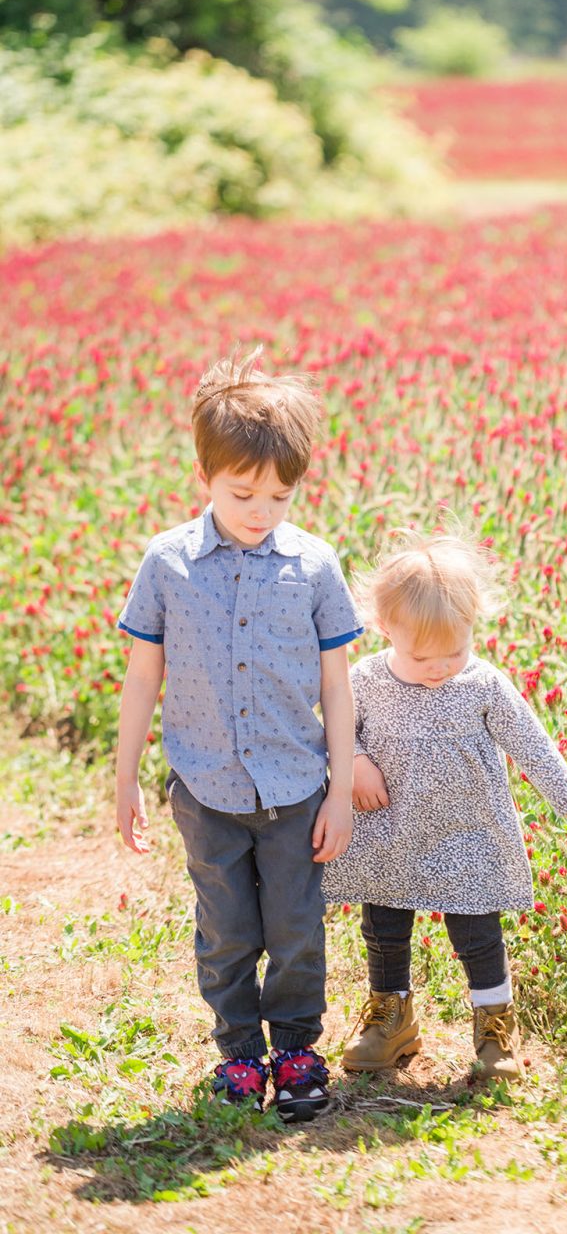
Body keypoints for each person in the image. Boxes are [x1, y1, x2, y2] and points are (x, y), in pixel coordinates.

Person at [114, 348, 360, 1122]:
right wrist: (124, 779)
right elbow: (143, 677)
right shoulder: (168, 563)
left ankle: (295, 1049)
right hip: (206, 787)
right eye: (241, 492)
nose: (260, 510)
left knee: (294, 928)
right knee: (225, 932)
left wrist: (343, 790)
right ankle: (241, 1057)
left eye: (279, 496)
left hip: (296, 786)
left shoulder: (315, 565)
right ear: (205, 478)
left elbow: (338, 685)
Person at [322, 527, 567, 1081]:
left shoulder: (482, 684)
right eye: (422, 655)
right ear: (386, 630)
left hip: (469, 831)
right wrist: (354, 761)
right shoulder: (364, 680)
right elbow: (334, 729)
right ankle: (392, 1017)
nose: (440, 666)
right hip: (390, 829)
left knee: (477, 933)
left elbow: (532, 742)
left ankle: (494, 1026)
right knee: (384, 926)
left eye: (455, 651)